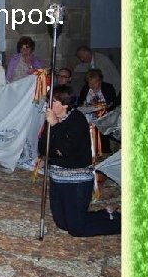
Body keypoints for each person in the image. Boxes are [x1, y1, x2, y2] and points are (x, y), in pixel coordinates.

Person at [38, 85, 120, 237]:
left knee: (76, 229)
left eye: (53, 101)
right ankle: (106, 214)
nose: (48, 105)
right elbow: (43, 148)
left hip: (77, 181)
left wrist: (56, 126)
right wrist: (57, 147)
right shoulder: (50, 121)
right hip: (58, 178)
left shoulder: (77, 121)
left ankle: (120, 224)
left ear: (65, 104)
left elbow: (68, 151)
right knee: (63, 224)